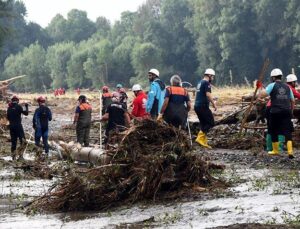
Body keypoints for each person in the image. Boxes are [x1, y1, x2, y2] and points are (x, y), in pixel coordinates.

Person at [258, 68, 295, 158]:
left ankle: (275, 150)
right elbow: (292, 100)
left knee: (273, 130)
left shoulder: (272, 85)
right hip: (286, 111)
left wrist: (259, 87)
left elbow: (263, 94)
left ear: (273, 78)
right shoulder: (287, 87)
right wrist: (291, 111)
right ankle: (290, 152)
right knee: (287, 131)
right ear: (281, 77)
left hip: (275, 111)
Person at [194, 68, 217, 148]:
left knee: (203, 124)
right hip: (203, 106)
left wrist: (212, 100)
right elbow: (208, 94)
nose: (213, 79)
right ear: (209, 75)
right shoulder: (207, 83)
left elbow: (200, 95)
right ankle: (199, 138)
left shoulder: (199, 82)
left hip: (197, 106)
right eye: (212, 77)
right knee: (211, 122)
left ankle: (204, 142)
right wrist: (214, 104)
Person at [7, 95, 28, 160]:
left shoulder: (9, 108)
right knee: (23, 141)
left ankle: (13, 157)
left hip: (11, 126)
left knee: (14, 142)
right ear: (17, 101)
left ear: (12, 100)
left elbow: (8, 117)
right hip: (18, 126)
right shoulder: (19, 106)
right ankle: (20, 156)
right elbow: (26, 113)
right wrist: (26, 106)